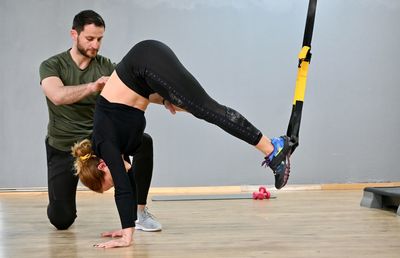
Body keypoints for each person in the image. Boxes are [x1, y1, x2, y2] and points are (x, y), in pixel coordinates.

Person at [72, 39, 292, 248]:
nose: (118, 177)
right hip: (145, 72)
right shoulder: (120, 146)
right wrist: (127, 224)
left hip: (145, 61)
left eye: (109, 180)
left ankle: (273, 149)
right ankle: (273, 147)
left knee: (207, 109)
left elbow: (122, 187)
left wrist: (126, 236)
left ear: (102, 165)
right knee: (203, 110)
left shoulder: (104, 143)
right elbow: (131, 176)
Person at [39, 10, 161, 232]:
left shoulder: (106, 66)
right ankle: (59, 203)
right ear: (74, 35)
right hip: (63, 145)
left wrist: (169, 99)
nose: (95, 45)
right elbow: (57, 96)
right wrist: (92, 87)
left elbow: (139, 91)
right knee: (61, 219)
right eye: (90, 39)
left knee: (144, 142)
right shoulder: (52, 65)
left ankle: (139, 212)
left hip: (100, 139)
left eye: (100, 39)